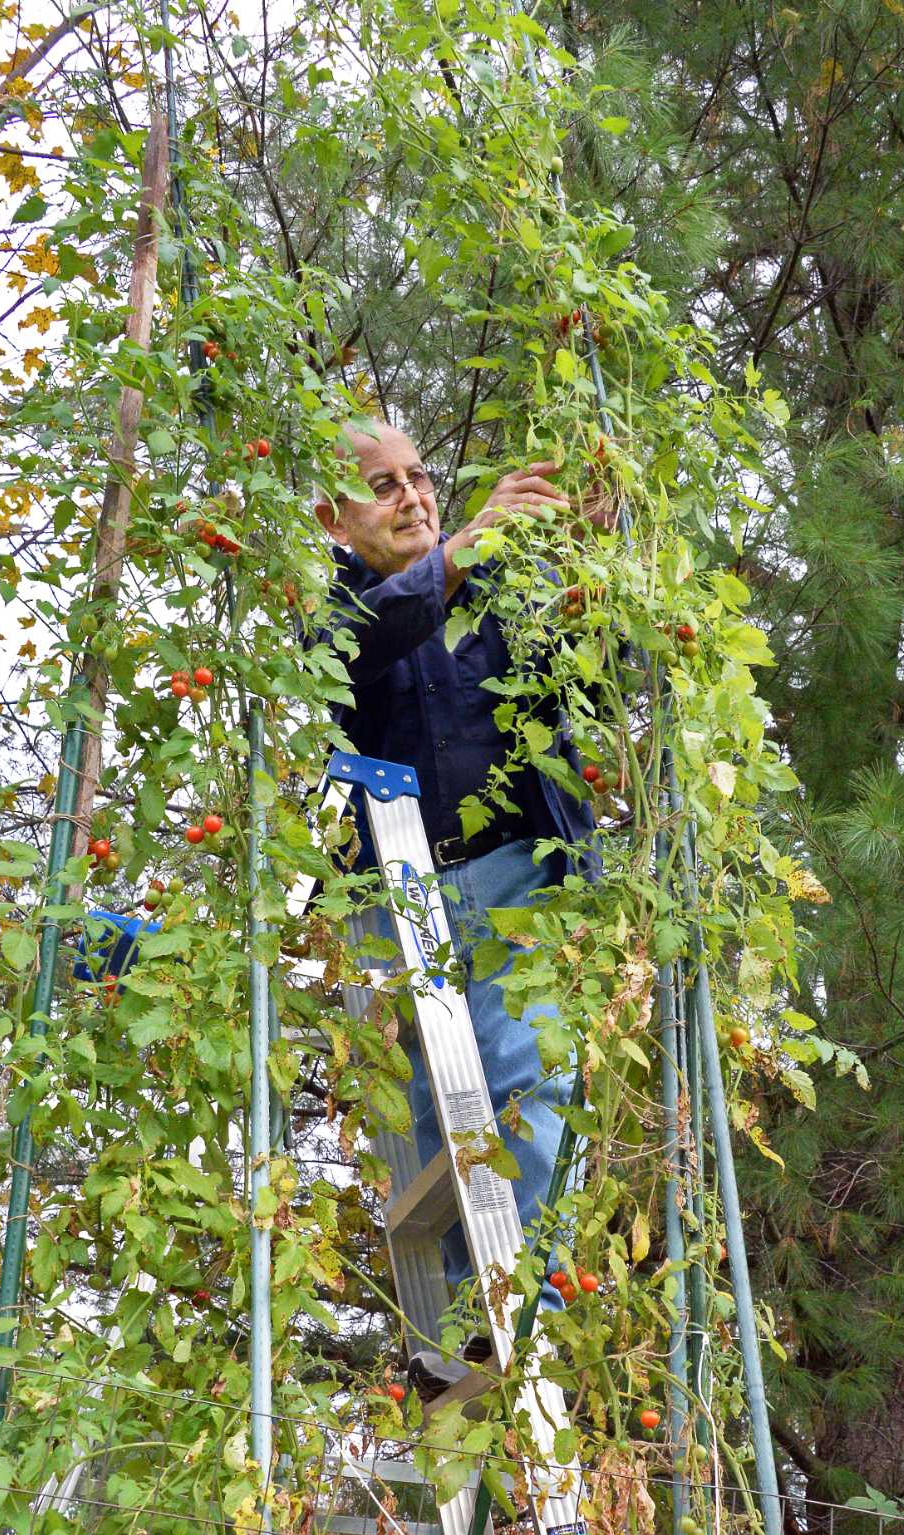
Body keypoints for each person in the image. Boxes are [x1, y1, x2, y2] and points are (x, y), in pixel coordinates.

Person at [315, 421, 599, 1393]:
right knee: (433, 1119)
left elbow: (578, 682)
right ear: (335, 517)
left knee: (525, 1081)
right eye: (381, 485)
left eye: (418, 478)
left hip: (512, 873)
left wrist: (587, 561)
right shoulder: (338, 607)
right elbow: (352, 650)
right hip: (397, 893)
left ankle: (521, 1307)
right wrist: (457, 553)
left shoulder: (500, 591)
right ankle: (446, 1336)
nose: (412, 496)